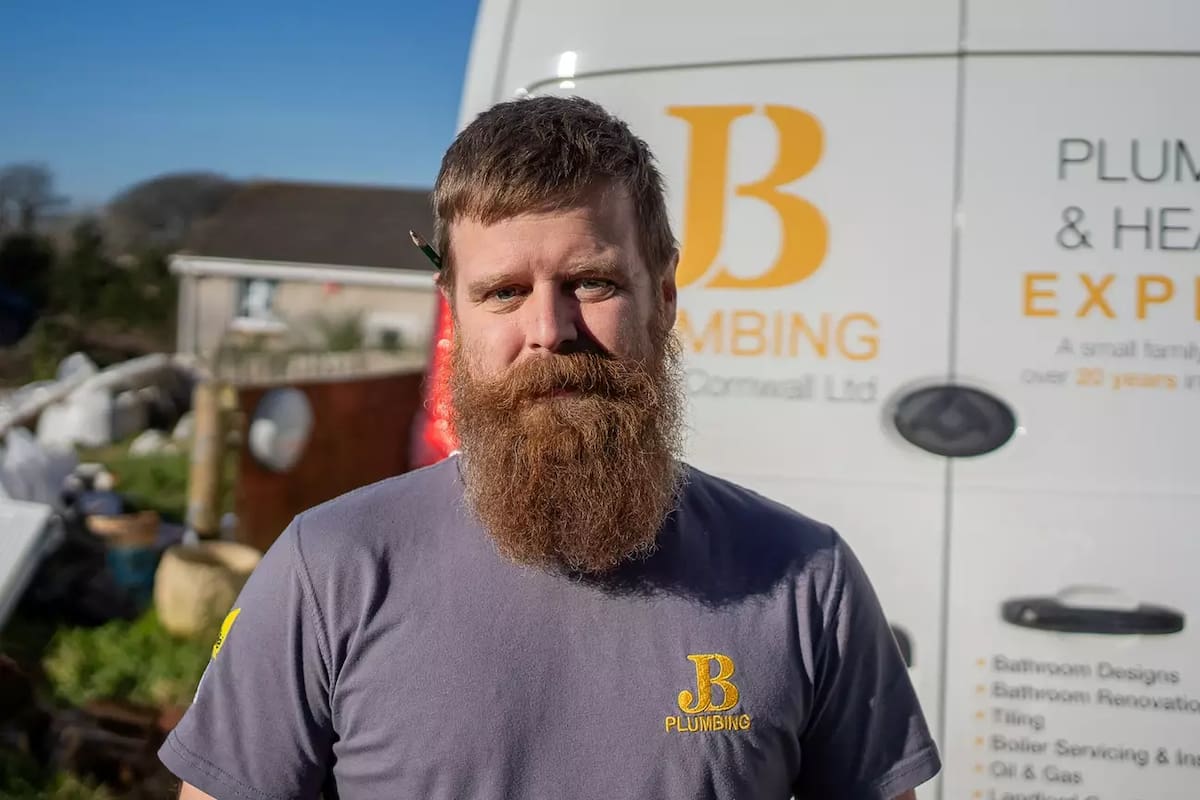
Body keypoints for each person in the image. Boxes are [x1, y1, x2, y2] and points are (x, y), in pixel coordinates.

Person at [163, 95, 941, 800]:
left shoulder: (807, 581)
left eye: (592, 283)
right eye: (503, 292)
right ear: (456, 318)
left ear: (663, 298)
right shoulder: (328, 570)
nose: (549, 331)